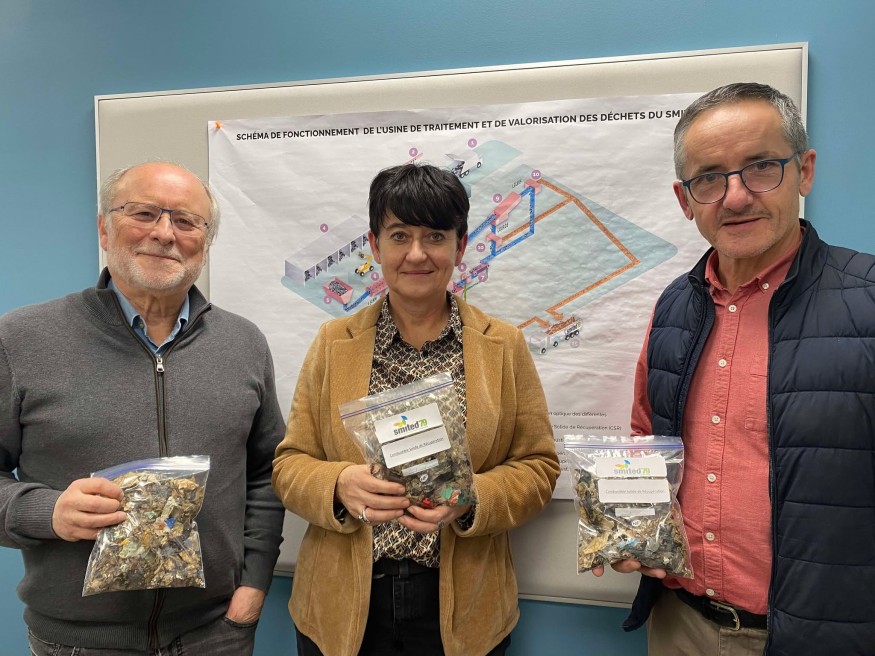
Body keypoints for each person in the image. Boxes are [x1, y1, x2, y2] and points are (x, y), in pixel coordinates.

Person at [598, 82, 875, 654]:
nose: (736, 196)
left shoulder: (868, 302)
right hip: (680, 626)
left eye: (761, 167)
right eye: (709, 178)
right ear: (685, 200)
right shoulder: (674, 306)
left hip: (819, 636)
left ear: (805, 172)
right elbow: (647, 441)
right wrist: (633, 527)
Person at [272, 163, 560, 656]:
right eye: (400, 235)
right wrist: (338, 484)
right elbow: (288, 464)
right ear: (375, 244)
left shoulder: (503, 345)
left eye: (436, 236)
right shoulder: (334, 343)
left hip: (462, 605)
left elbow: (539, 466)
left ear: (460, 247)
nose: (417, 254)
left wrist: (472, 498)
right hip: (344, 605)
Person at [0, 162, 286, 654]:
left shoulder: (243, 343)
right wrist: (47, 512)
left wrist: (254, 584)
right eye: (144, 213)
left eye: (186, 221)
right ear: (103, 228)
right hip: (78, 642)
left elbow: (267, 473)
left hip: (216, 633)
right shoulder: (21, 339)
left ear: (205, 242)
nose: (164, 233)